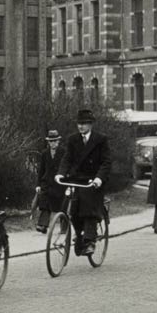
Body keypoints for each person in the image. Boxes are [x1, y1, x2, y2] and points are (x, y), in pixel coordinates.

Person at [55, 109, 112, 257]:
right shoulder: (73, 139)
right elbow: (67, 158)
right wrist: (61, 173)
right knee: (71, 210)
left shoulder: (100, 139)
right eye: (79, 124)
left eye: (84, 124)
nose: (81, 127)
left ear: (91, 125)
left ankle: (90, 240)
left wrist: (99, 178)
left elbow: (106, 162)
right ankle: (78, 236)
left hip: (93, 180)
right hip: (77, 179)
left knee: (88, 209)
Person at [35, 130, 65, 234]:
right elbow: (41, 170)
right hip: (47, 182)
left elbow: (67, 167)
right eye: (51, 141)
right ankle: (43, 225)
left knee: (62, 205)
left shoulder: (64, 152)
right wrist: (38, 184)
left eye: (54, 141)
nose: (52, 143)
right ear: (48, 142)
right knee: (45, 203)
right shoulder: (44, 153)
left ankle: (64, 227)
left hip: (60, 183)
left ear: (58, 141)